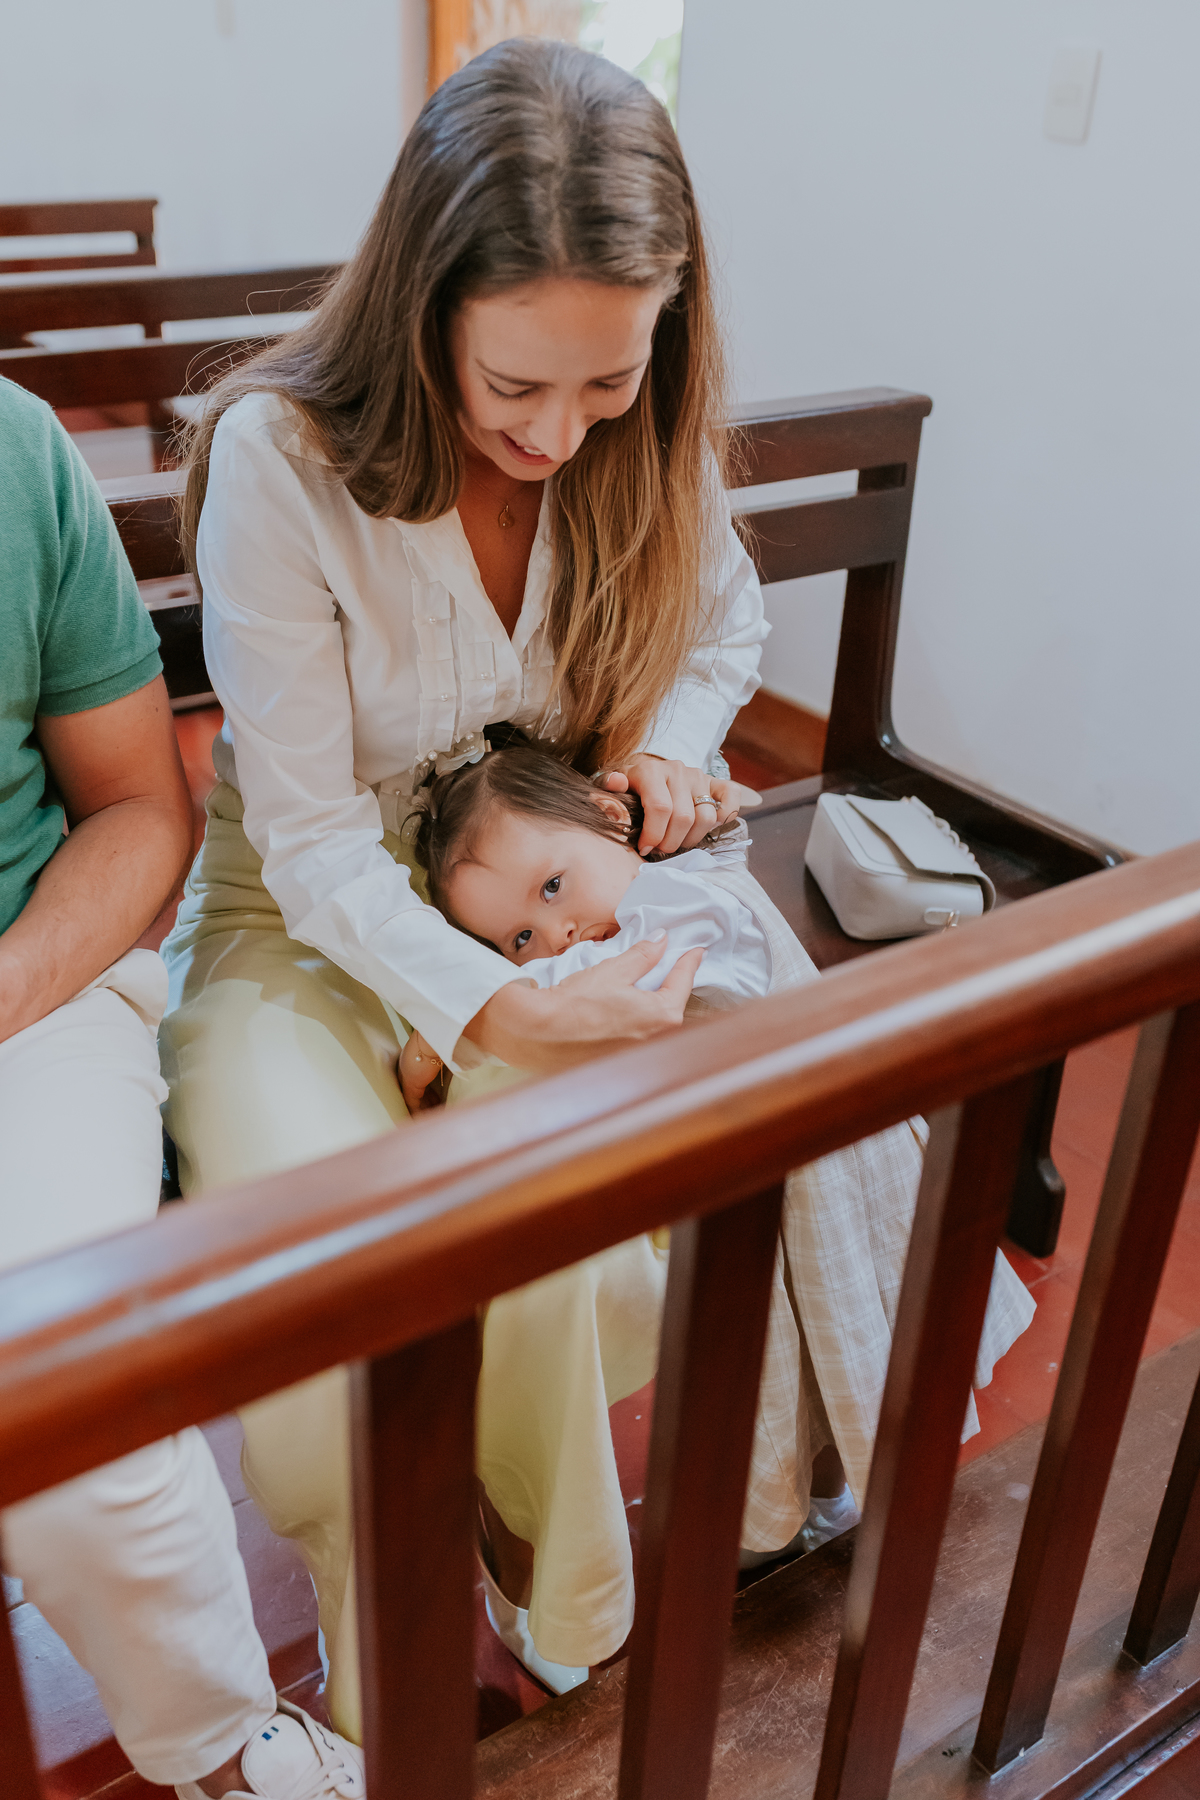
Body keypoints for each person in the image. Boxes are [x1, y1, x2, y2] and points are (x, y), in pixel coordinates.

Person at [159, 37, 765, 1720]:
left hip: (525, 895)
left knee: (555, 1227)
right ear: (423, 308)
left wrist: (658, 750)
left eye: (608, 381)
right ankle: (382, 1641)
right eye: (515, 389)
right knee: (330, 1255)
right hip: (306, 917)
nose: (563, 435)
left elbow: (730, 631)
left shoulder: (641, 448)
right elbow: (310, 841)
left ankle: (556, 1570)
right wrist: (491, 1007)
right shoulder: (281, 460)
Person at [402, 739, 1037, 1574]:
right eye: (520, 937)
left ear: (608, 818)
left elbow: (593, 979)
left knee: (850, 1344)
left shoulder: (680, 905)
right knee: (790, 1370)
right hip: (764, 1190)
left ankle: (846, 1509)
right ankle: (810, 1508)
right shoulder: (638, 905)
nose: (557, 934)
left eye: (554, 886)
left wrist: (457, 1023)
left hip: (833, 1171)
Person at [0, 378, 365, 1800]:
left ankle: (225, 1746)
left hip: (36, 982)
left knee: (66, 1388)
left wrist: (13, 987)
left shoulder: (20, 452)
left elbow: (142, 805)